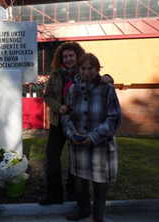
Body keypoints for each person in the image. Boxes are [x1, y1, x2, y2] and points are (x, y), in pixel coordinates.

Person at [40, 42, 113, 205]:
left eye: (71, 55)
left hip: (80, 122)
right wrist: (59, 108)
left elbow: (100, 79)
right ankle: (54, 195)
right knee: (52, 156)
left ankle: (73, 192)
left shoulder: (84, 71)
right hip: (58, 120)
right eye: (65, 56)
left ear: (77, 56)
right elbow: (48, 96)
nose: (68, 59)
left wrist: (109, 77)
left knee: (76, 157)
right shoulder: (55, 74)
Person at [61, 53, 122, 222]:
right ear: (79, 69)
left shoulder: (107, 89)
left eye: (91, 68)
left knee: (100, 183)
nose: (87, 72)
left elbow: (114, 118)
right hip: (78, 144)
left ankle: (98, 217)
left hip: (100, 146)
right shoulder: (73, 90)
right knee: (80, 182)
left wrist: (94, 137)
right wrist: (72, 133)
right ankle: (83, 210)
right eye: (83, 68)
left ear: (97, 69)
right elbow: (66, 115)